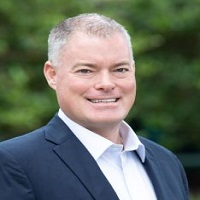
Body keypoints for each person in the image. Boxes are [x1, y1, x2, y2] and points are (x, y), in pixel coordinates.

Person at [0, 13, 189, 200]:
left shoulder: (167, 162)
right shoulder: (15, 163)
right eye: (86, 70)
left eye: (120, 69)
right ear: (52, 75)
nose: (106, 84)